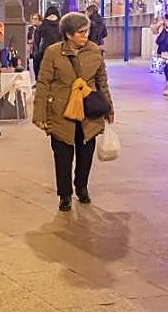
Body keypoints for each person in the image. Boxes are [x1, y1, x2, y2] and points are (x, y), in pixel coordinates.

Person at [33, 12, 114, 211]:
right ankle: (65, 194)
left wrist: (109, 108)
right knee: (62, 155)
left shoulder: (94, 51)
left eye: (86, 31)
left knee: (86, 154)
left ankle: (81, 186)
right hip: (61, 112)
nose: (85, 36)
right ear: (68, 34)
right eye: (80, 32)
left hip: (88, 112)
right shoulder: (53, 52)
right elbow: (43, 83)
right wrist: (40, 114)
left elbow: (102, 82)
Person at [31, 6, 62, 80]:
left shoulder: (41, 26)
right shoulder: (61, 26)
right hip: (59, 54)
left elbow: (36, 43)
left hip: (44, 54)